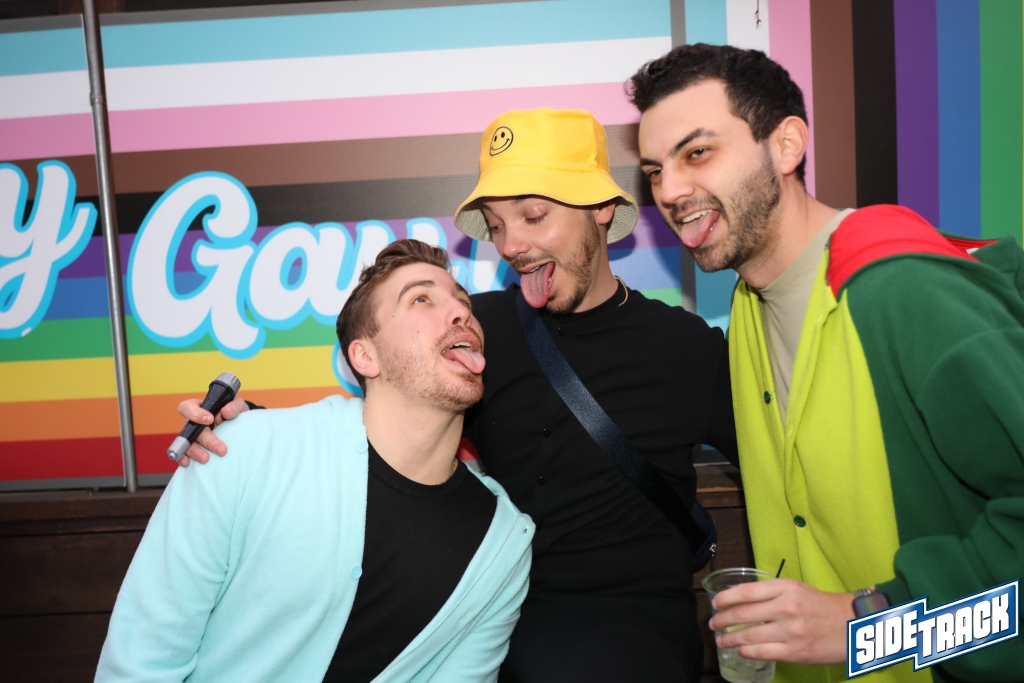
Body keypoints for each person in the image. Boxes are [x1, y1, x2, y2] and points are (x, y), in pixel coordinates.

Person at [178, 108, 738, 682]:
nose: (512, 244)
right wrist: (253, 426)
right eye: (496, 226)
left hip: (633, 635)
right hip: (490, 614)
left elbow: (782, 463)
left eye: (534, 215)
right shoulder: (476, 327)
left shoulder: (685, 348)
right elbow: (386, 427)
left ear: (601, 208)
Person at [630, 43, 1024, 683]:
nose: (670, 191)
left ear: (786, 145)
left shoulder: (905, 292)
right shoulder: (749, 303)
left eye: (697, 152)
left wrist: (868, 626)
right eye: (654, 170)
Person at [97, 240, 534, 682]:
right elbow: (142, 662)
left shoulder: (503, 542)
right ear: (365, 357)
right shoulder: (243, 450)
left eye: (463, 302)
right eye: (421, 298)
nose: (460, 312)